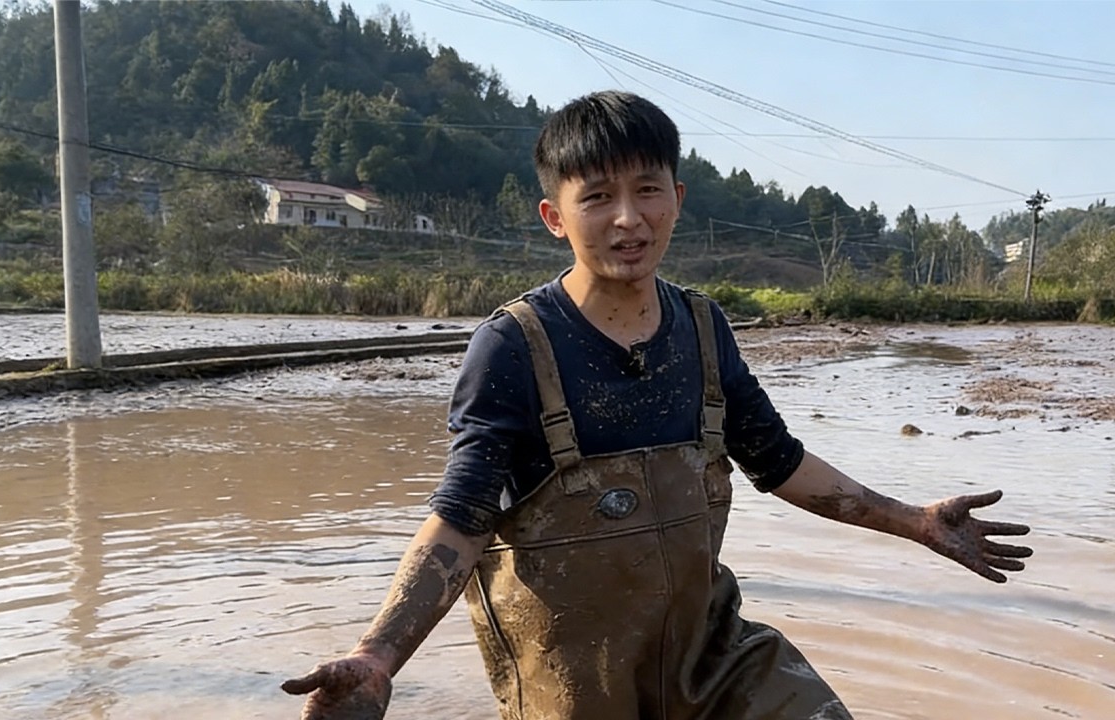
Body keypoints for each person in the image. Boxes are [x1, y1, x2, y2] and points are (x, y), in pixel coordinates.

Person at [281, 90, 1033, 720]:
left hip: (711, 655)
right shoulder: (514, 348)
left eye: (646, 190)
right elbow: (464, 515)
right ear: (555, 216)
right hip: (577, 683)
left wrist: (915, 521)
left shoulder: (704, 330)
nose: (627, 219)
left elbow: (777, 460)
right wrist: (380, 654)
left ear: (676, 198)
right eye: (598, 197)